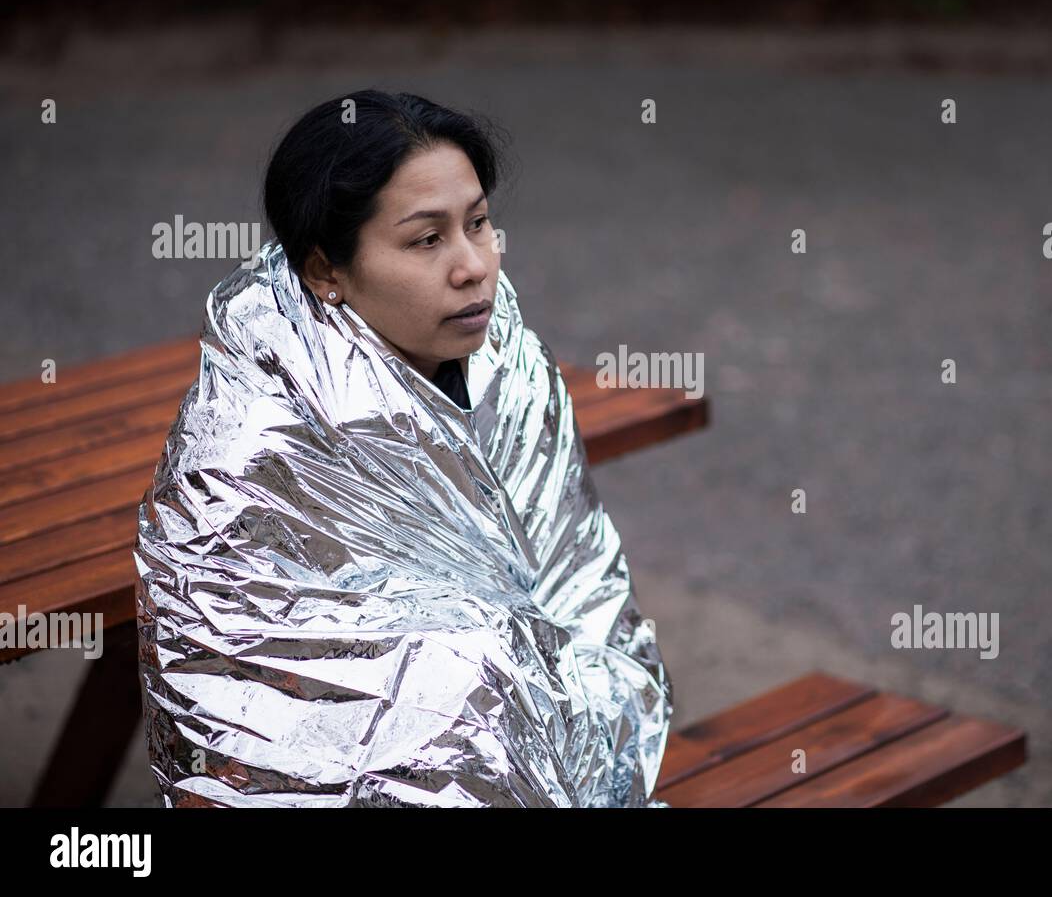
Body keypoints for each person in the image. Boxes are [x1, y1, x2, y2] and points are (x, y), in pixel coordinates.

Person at [133, 90, 674, 807]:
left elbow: (578, 576)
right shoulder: (251, 451)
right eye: (427, 240)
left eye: (478, 224)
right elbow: (243, 682)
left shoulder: (507, 366)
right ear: (325, 271)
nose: (474, 266)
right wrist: (496, 676)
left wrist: (569, 709)